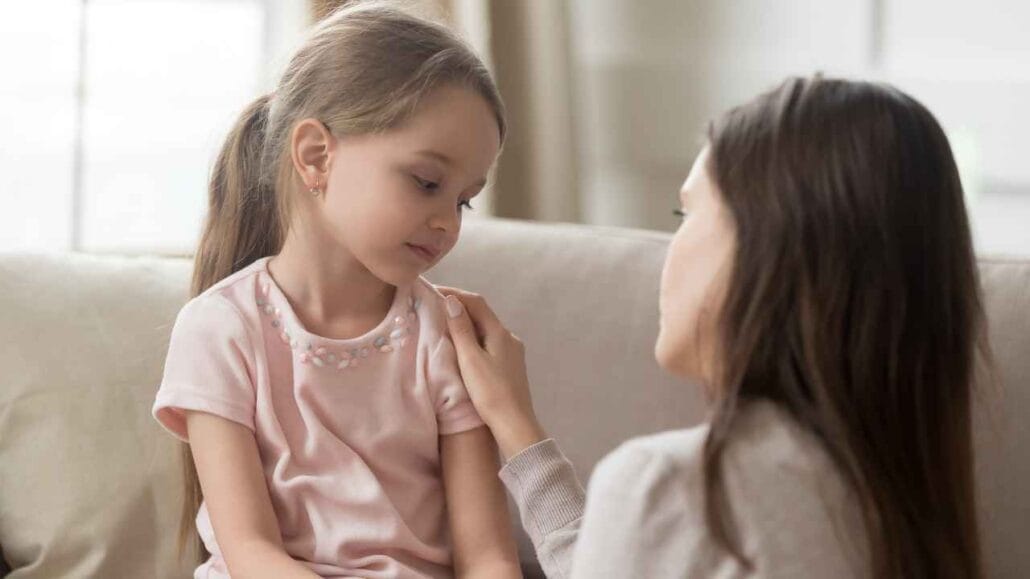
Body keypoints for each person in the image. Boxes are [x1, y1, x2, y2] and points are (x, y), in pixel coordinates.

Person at [440, 76, 986, 579]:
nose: (669, 252)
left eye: (687, 215)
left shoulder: (672, 486)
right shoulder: (900, 504)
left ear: (768, 249)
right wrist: (517, 427)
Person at [151, 3, 520, 577]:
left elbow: (487, 557)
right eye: (427, 182)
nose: (449, 222)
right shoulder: (219, 330)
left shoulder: (445, 335)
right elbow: (251, 554)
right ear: (316, 156)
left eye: (463, 199)